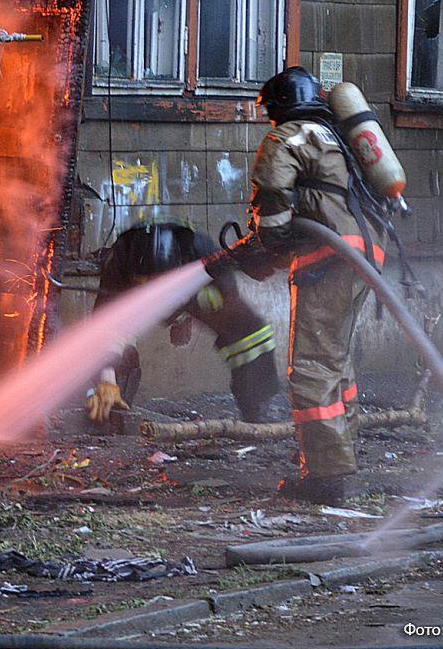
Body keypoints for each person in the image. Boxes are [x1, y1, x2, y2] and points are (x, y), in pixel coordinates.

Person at [205, 66, 388, 505]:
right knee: (335, 362)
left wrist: (261, 250)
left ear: (281, 105)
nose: (269, 120)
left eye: (270, 111)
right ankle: (340, 456)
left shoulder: (286, 137)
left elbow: (272, 201)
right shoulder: (333, 136)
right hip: (364, 251)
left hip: (330, 256)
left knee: (310, 366)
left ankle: (326, 478)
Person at [85, 222, 281, 427]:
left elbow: (230, 304)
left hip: (192, 295)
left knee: (250, 334)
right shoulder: (120, 262)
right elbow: (104, 327)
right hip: (135, 305)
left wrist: (186, 317)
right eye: (149, 281)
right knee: (111, 349)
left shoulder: (203, 255)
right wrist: (107, 378)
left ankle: (255, 411)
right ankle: (112, 406)